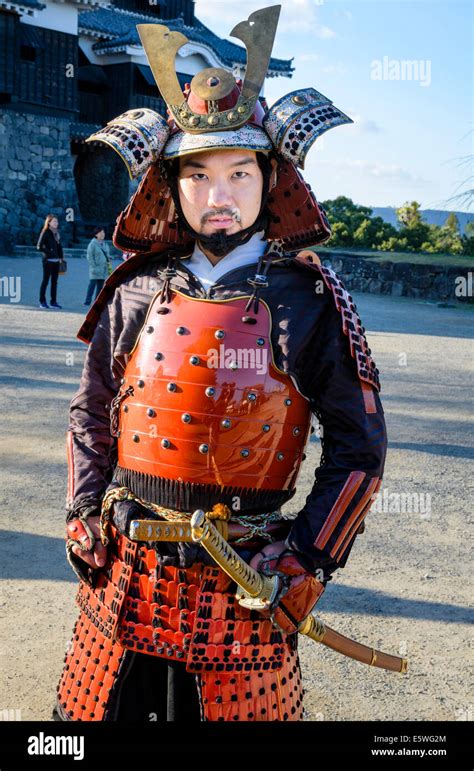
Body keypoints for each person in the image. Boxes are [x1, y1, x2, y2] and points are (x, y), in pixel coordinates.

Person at [54, 5, 387, 722]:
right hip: (126, 586)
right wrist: (85, 507)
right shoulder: (136, 285)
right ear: (169, 183)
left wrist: (307, 561)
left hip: (242, 591)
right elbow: (90, 410)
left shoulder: (310, 299)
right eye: (198, 174)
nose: (219, 194)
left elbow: (359, 450)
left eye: (240, 172)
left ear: (272, 178)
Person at [37, 214, 63, 309]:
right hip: (47, 261)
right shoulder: (45, 232)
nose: (56, 223)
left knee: (54, 282)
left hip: (56, 261)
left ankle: (53, 302)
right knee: (45, 281)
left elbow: (59, 246)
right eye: (54, 221)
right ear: (49, 222)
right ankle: (42, 301)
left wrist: (61, 257)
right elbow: (39, 246)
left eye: (57, 221)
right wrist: (50, 252)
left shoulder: (57, 233)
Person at [84, 227, 112, 306]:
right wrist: (93, 266)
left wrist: (109, 258)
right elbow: (89, 256)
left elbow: (107, 254)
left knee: (100, 286)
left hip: (103, 268)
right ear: (96, 234)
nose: (102, 234)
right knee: (92, 286)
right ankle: (87, 301)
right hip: (95, 268)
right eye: (100, 233)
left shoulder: (105, 244)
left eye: (103, 233)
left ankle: (96, 301)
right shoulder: (92, 244)